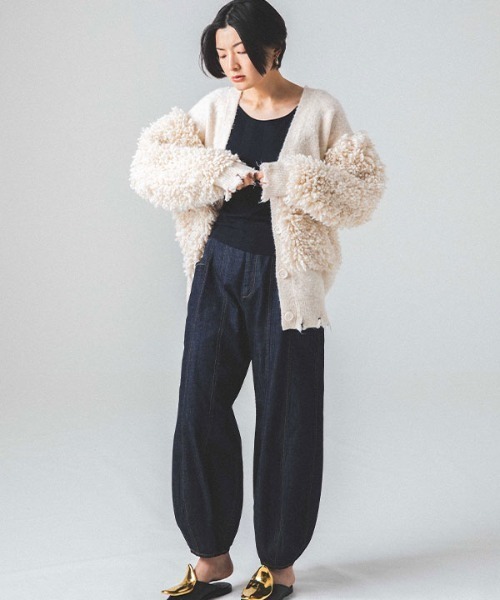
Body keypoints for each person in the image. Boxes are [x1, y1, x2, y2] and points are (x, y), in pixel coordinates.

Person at [129, 1, 386, 598]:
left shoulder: (321, 111)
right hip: (217, 270)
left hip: (287, 282)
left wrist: (289, 178)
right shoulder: (213, 110)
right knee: (199, 408)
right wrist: (216, 172)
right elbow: (150, 167)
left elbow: (362, 194)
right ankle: (211, 556)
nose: (232, 64)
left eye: (241, 50)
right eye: (221, 54)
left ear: (274, 46)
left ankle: (279, 561)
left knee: (287, 415)